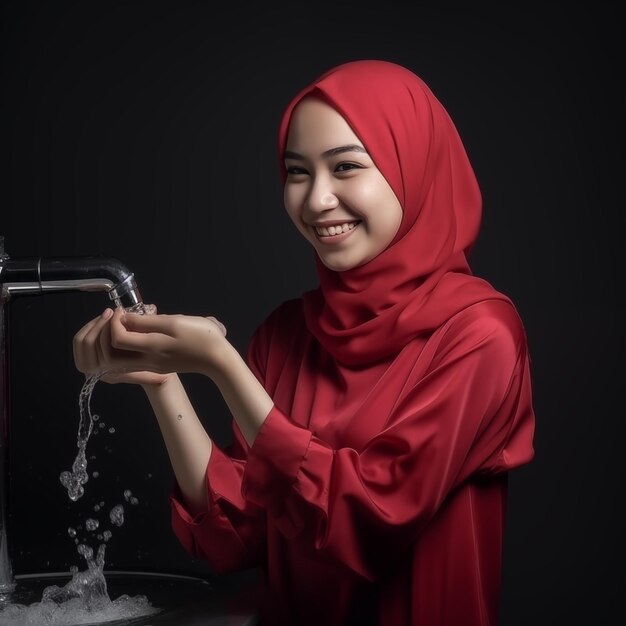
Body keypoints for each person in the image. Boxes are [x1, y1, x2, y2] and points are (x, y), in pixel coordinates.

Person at [73, 59, 536, 626]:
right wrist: (162, 378)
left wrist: (222, 365)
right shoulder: (287, 333)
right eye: (297, 172)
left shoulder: (479, 334)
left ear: (414, 166)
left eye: (346, 167)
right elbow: (238, 536)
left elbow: (368, 523)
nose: (316, 200)